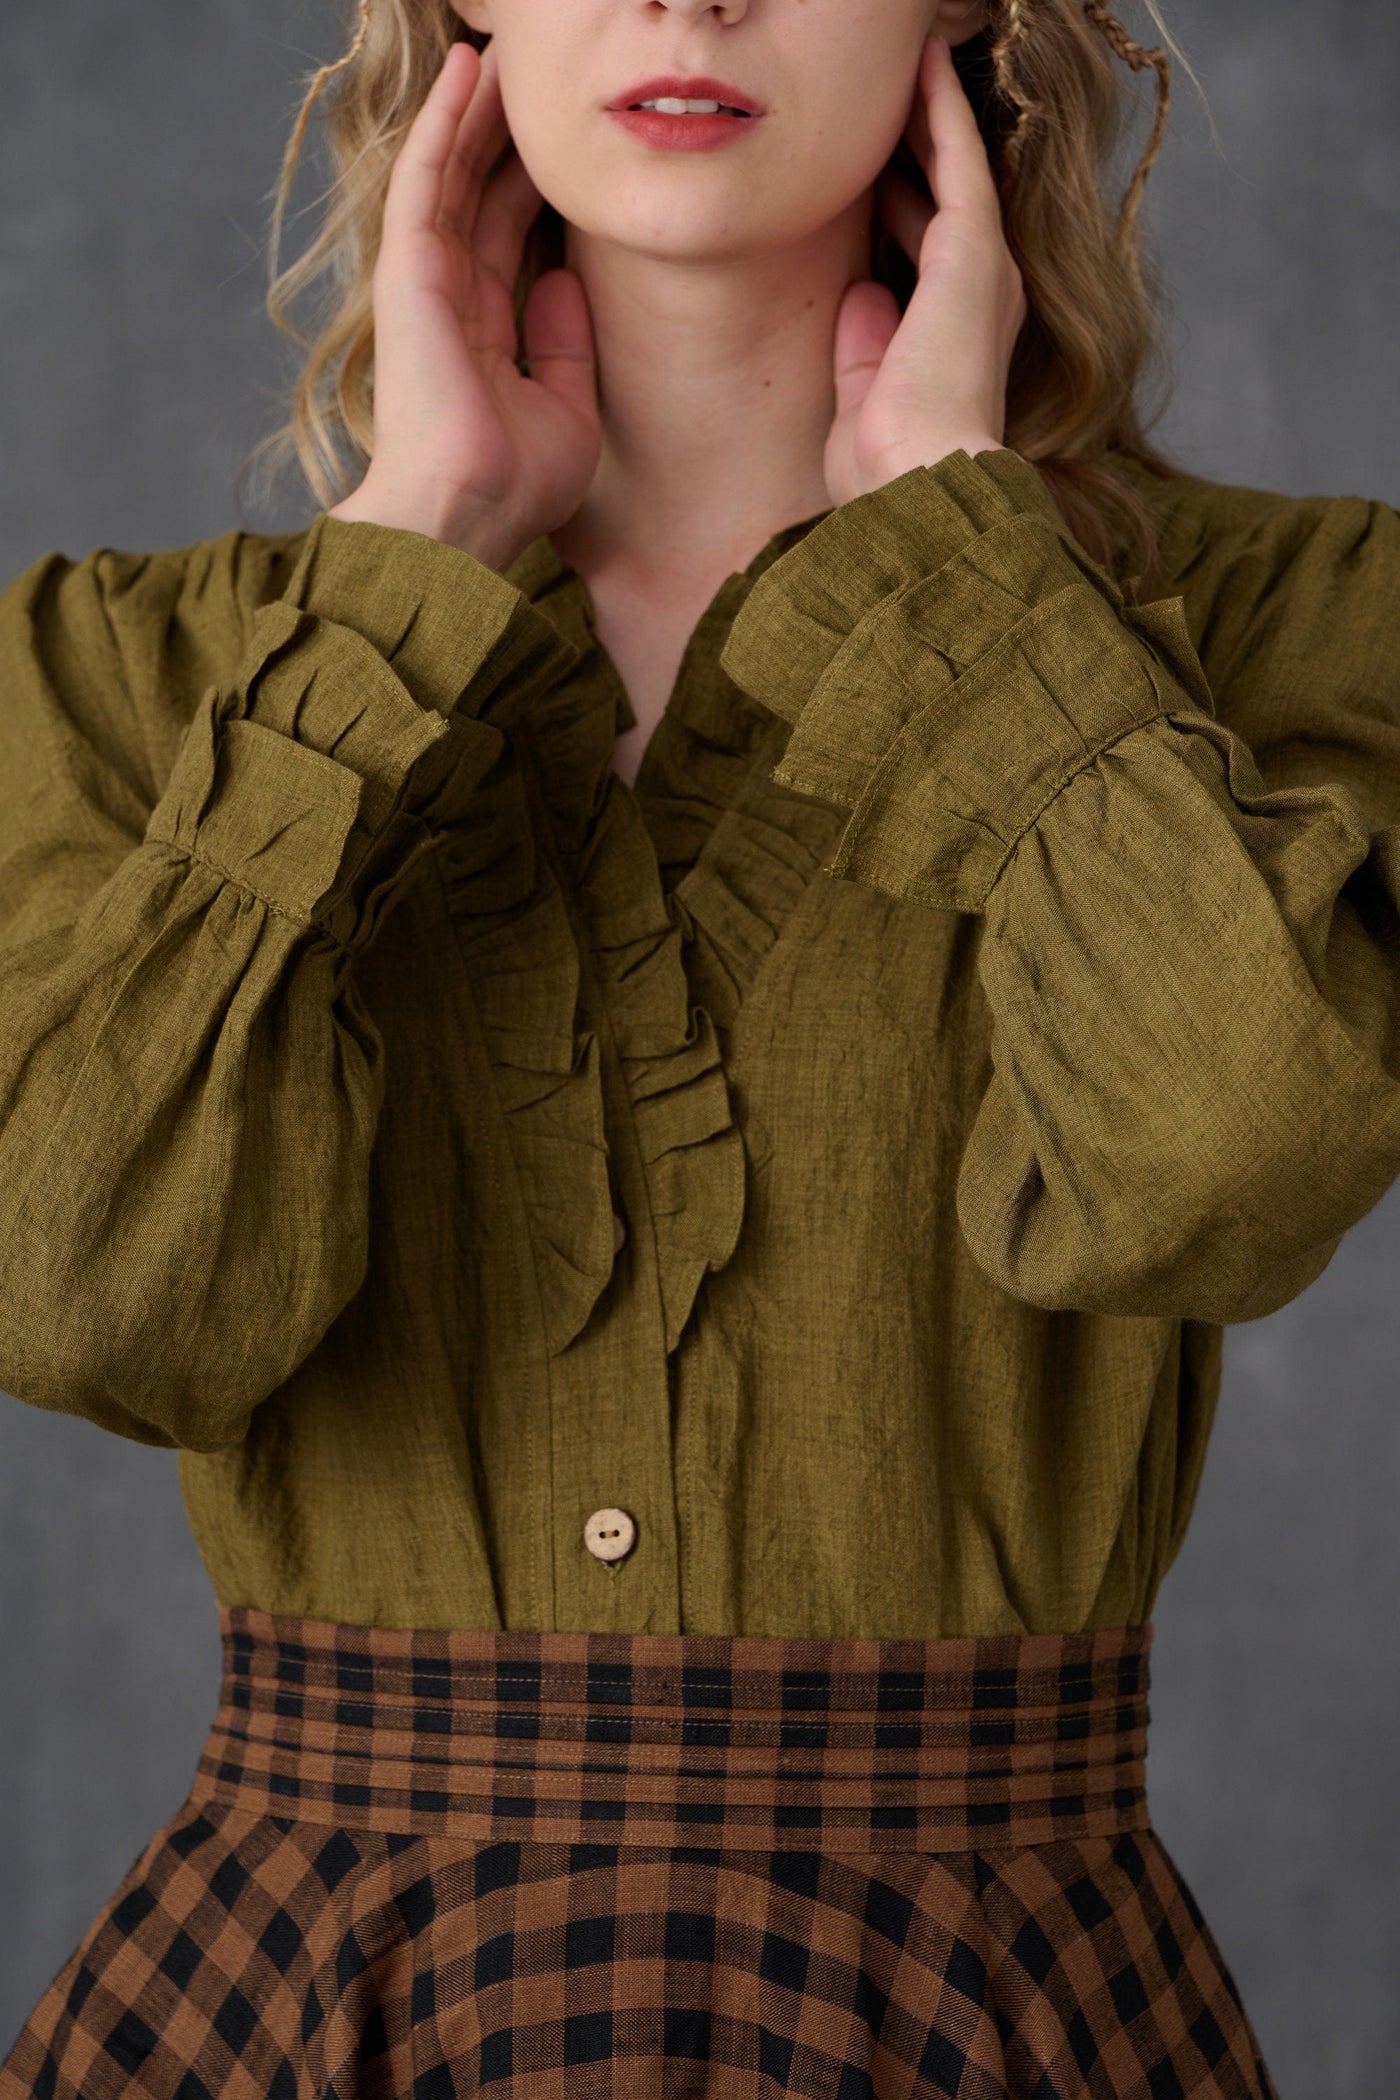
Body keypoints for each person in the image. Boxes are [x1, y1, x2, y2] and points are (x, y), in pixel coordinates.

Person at [1, 0, 1395, 2091]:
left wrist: (965, 559)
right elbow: (92, 1304)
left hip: (981, 2004)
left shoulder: (1291, 634)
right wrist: (402, 570)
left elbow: (1219, 1168)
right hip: (321, 2003)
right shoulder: (124, 678)